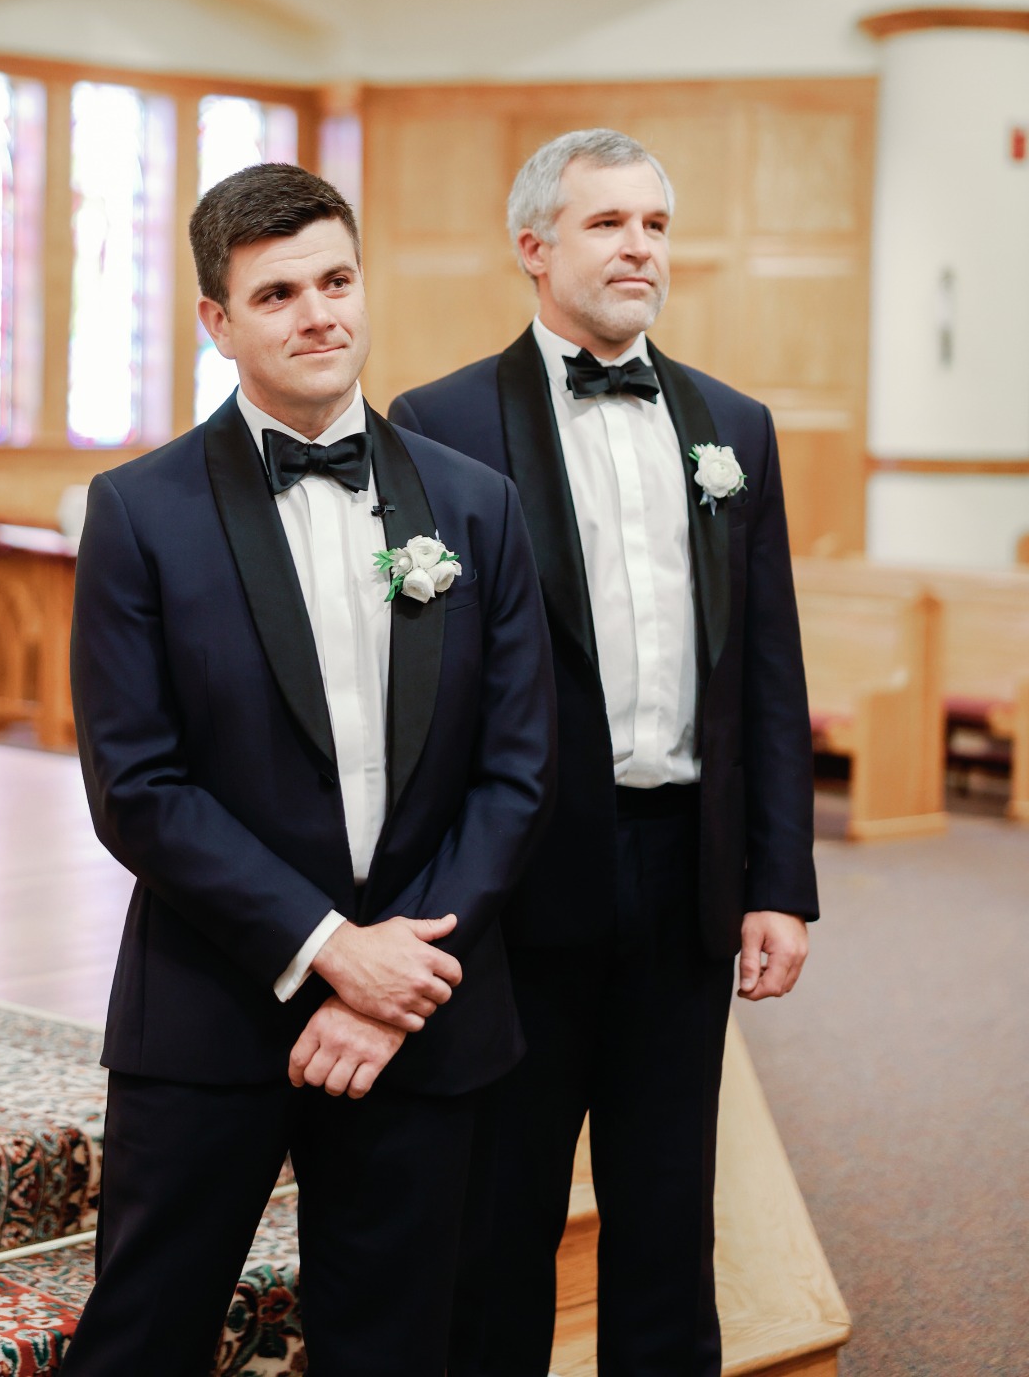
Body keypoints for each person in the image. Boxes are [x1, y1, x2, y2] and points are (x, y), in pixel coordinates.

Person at [61, 163, 555, 1377]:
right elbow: (138, 784)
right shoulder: (139, 511)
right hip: (215, 1003)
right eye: (277, 294)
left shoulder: (477, 507)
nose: (320, 313)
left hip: (421, 1013)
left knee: (394, 1345)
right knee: (144, 1337)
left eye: (336, 280)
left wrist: (402, 970)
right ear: (217, 324)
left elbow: (516, 767)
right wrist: (336, 949)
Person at [388, 128, 819, 1377]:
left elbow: (770, 674)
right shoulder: (445, 421)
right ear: (534, 247)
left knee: (670, 1211)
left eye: (656, 225)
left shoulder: (733, 425)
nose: (639, 247)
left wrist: (778, 880)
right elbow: (435, 695)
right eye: (607, 223)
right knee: (504, 1214)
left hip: (687, 872)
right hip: (519, 886)